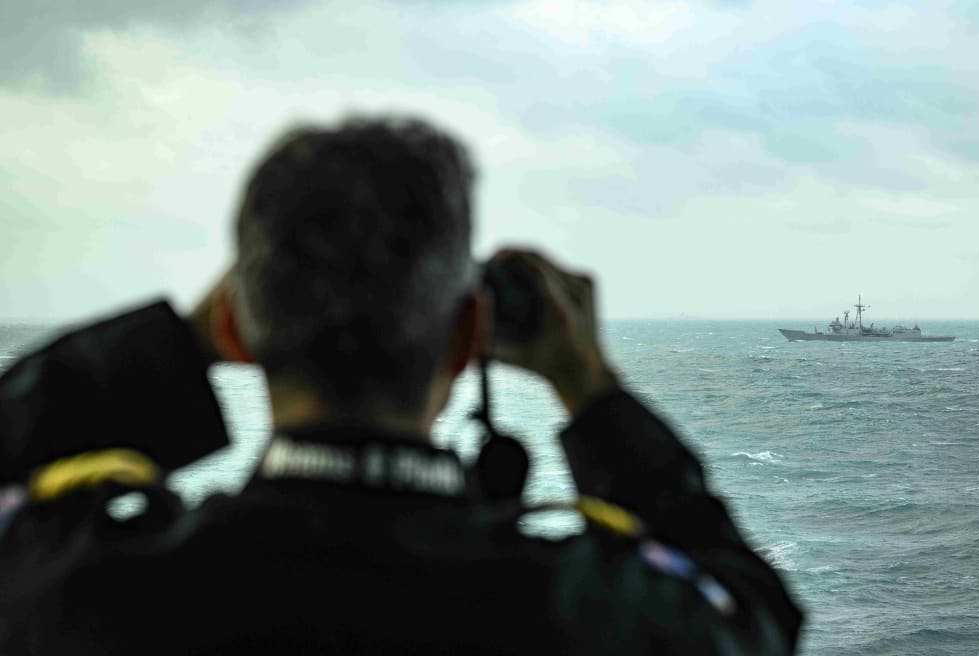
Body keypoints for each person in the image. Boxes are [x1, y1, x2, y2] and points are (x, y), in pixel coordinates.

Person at [0, 116, 802, 654]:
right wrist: (588, 386)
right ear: (467, 338)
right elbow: (751, 614)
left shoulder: (82, 590)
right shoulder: (584, 614)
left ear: (240, 330)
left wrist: (176, 346)